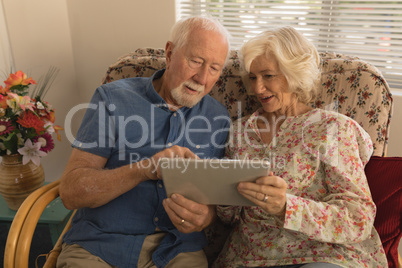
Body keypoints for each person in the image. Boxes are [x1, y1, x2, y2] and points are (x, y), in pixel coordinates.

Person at [57, 16, 231, 268]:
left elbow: (216, 199)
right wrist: (145, 169)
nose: (202, 78)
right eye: (196, 61)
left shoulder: (218, 117)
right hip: (98, 245)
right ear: (170, 53)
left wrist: (207, 216)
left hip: (176, 250)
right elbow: (71, 193)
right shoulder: (112, 99)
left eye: (214, 68)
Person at [212, 26, 388, 268]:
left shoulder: (332, 128)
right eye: (253, 77)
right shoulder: (240, 131)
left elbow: (358, 219)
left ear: (295, 74)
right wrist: (216, 186)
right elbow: (229, 217)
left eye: (268, 76)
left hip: (322, 254)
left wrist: (287, 207)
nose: (257, 88)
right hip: (250, 257)